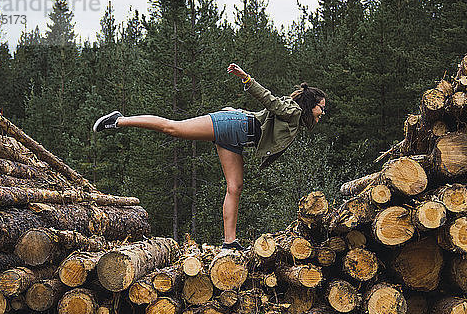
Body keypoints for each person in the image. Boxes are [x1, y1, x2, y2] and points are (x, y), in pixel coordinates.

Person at [93, 63, 327, 250]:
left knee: (235, 187)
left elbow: (262, 117)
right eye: (321, 108)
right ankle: (119, 120)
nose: (322, 113)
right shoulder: (294, 110)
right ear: (311, 104)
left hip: (237, 137)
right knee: (173, 128)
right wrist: (247, 79)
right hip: (230, 127)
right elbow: (269, 100)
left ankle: (229, 242)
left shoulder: (294, 118)